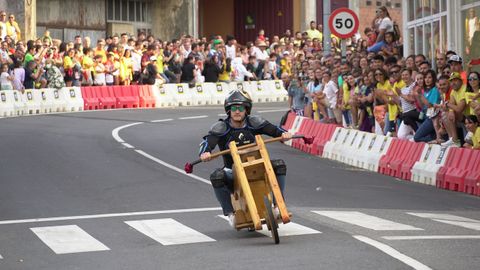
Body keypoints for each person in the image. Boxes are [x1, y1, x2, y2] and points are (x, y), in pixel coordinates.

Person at [198, 90, 292, 228]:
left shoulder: (255, 122)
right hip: (232, 172)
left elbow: (275, 130)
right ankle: (230, 214)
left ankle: (278, 206)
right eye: (233, 108)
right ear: (228, 110)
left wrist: (285, 134)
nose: (237, 111)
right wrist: (205, 153)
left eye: (240, 108)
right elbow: (208, 143)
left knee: (279, 165)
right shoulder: (221, 127)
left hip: (259, 166)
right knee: (217, 176)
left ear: (246, 110)